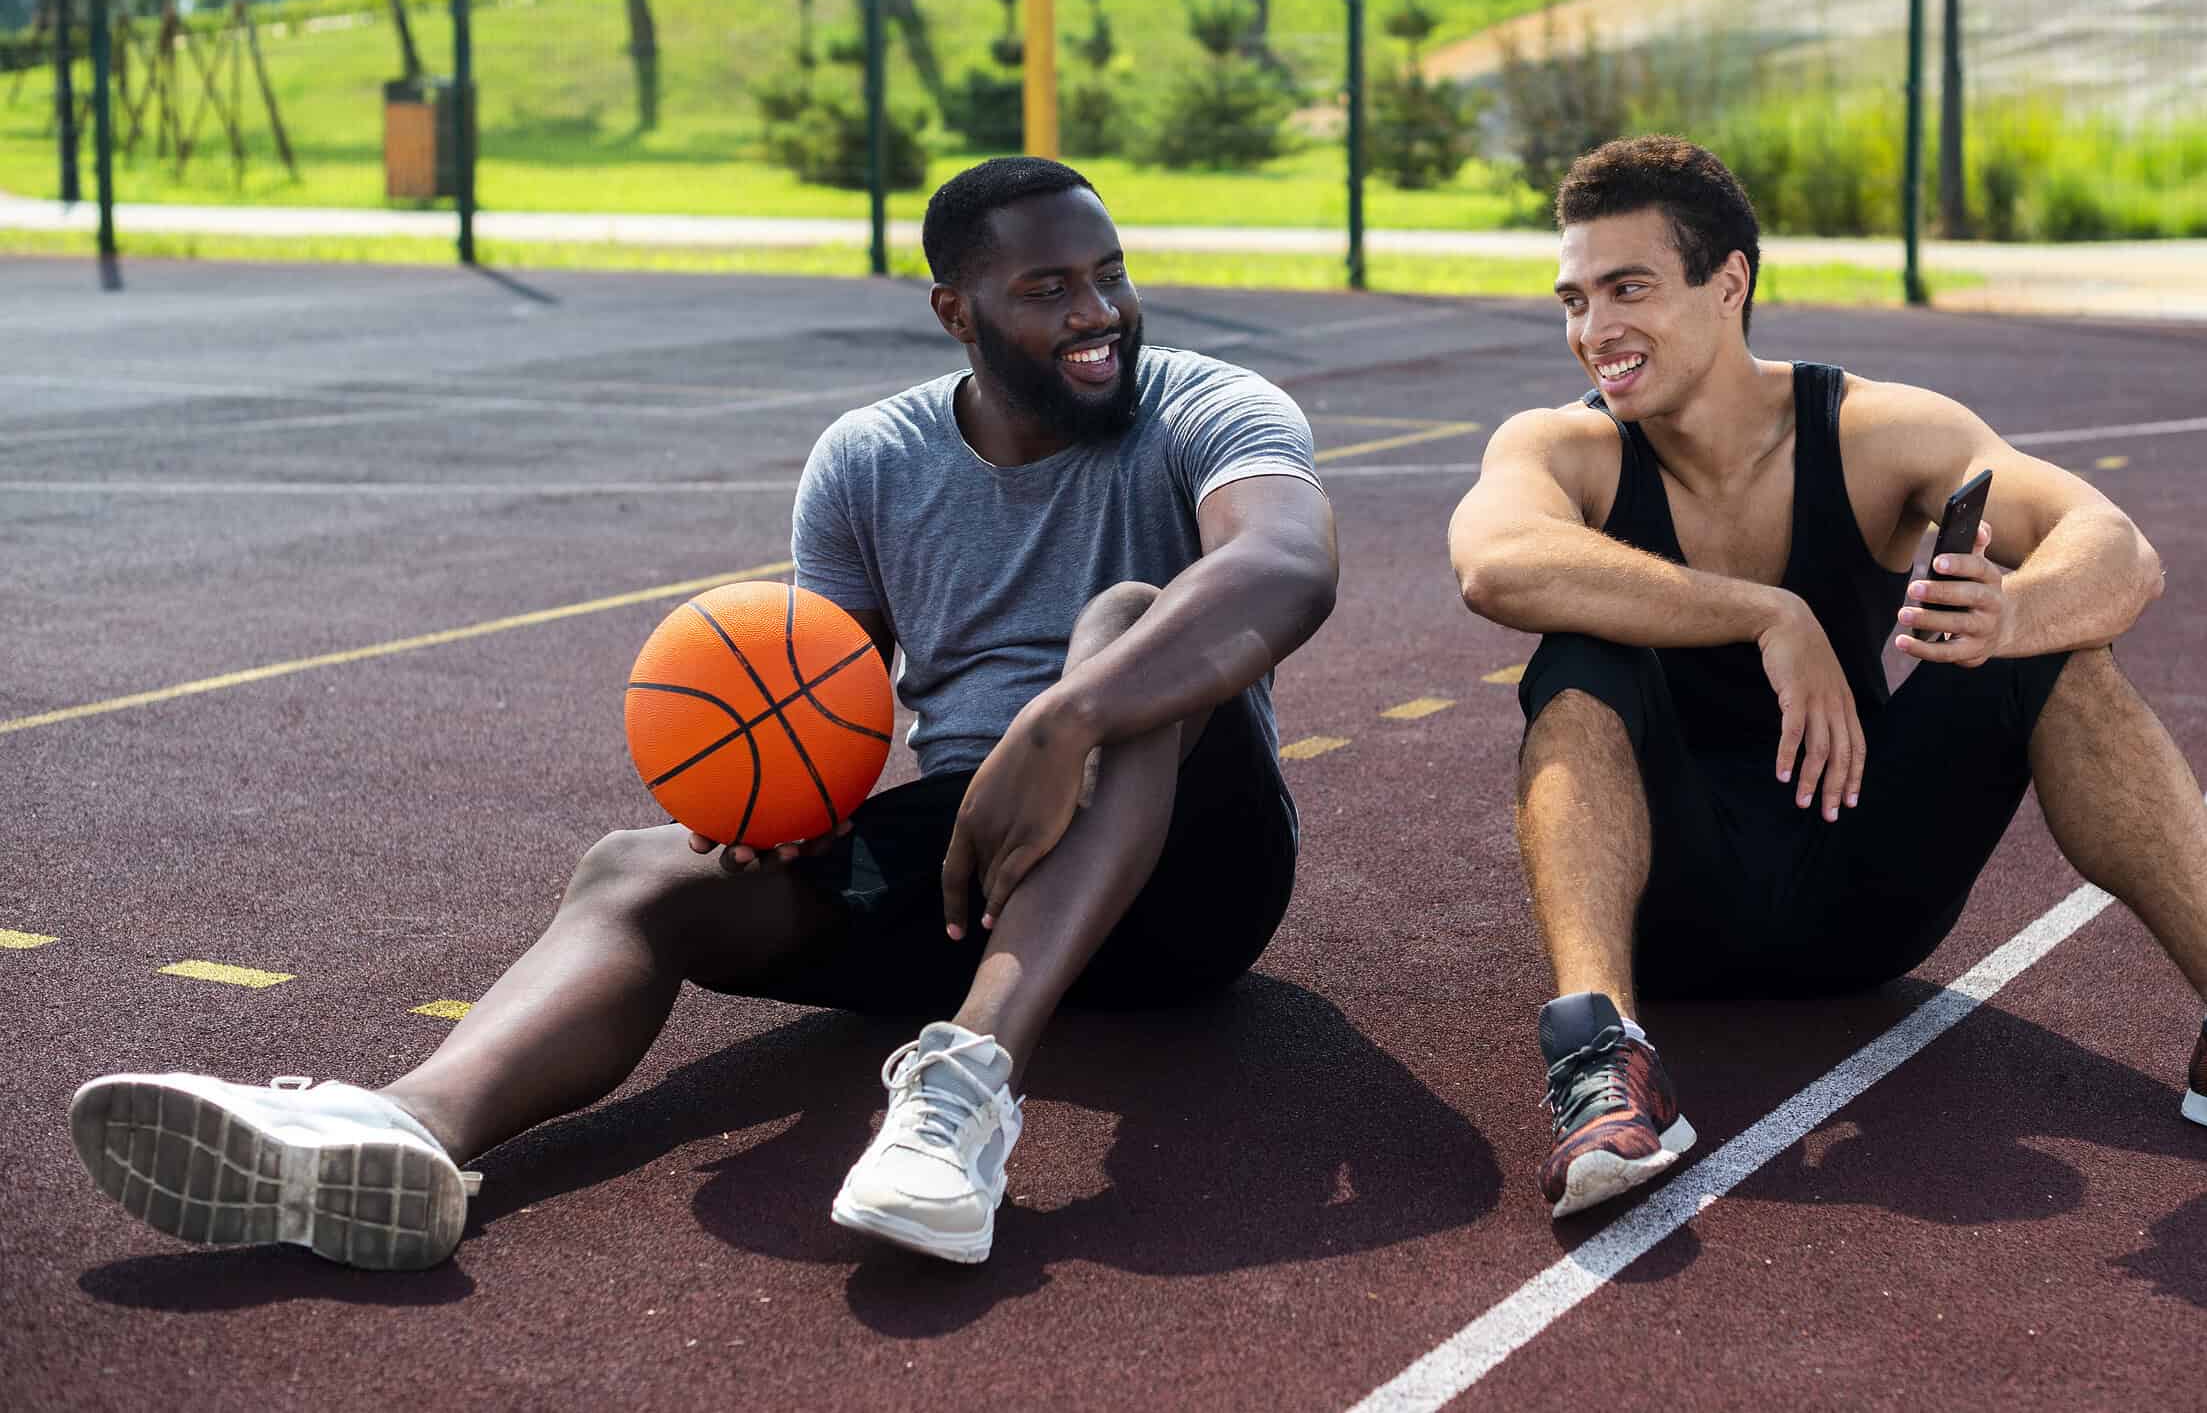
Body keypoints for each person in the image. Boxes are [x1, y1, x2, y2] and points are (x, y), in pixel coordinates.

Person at [68, 156, 1339, 1269]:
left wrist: (1061, 723)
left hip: (1191, 874)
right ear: (955, 309)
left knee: (1127, 618)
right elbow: (817, 679)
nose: (1098, 311)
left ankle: (964, 1087)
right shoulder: (872, 456)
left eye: (1109, 273)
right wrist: (783, 808)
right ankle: (402, 1126)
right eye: (1048, 287)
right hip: (968, 871)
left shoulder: (1205, 403)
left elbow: (1287, 567)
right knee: (638, 868)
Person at [1445, 135, 2207, 1221]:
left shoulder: (1877, 432)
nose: (1593, 330)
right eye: (1574, 298)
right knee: (1577, 652)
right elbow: (1495, 560)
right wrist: (1766, 613)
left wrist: (2012, 612)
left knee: (2050, 649)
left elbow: (2115, 545)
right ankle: (1603, 1054)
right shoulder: (1565, 448)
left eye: (1628, 288)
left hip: (1866, 887)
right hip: (1668, 909)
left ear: (1729, 281)